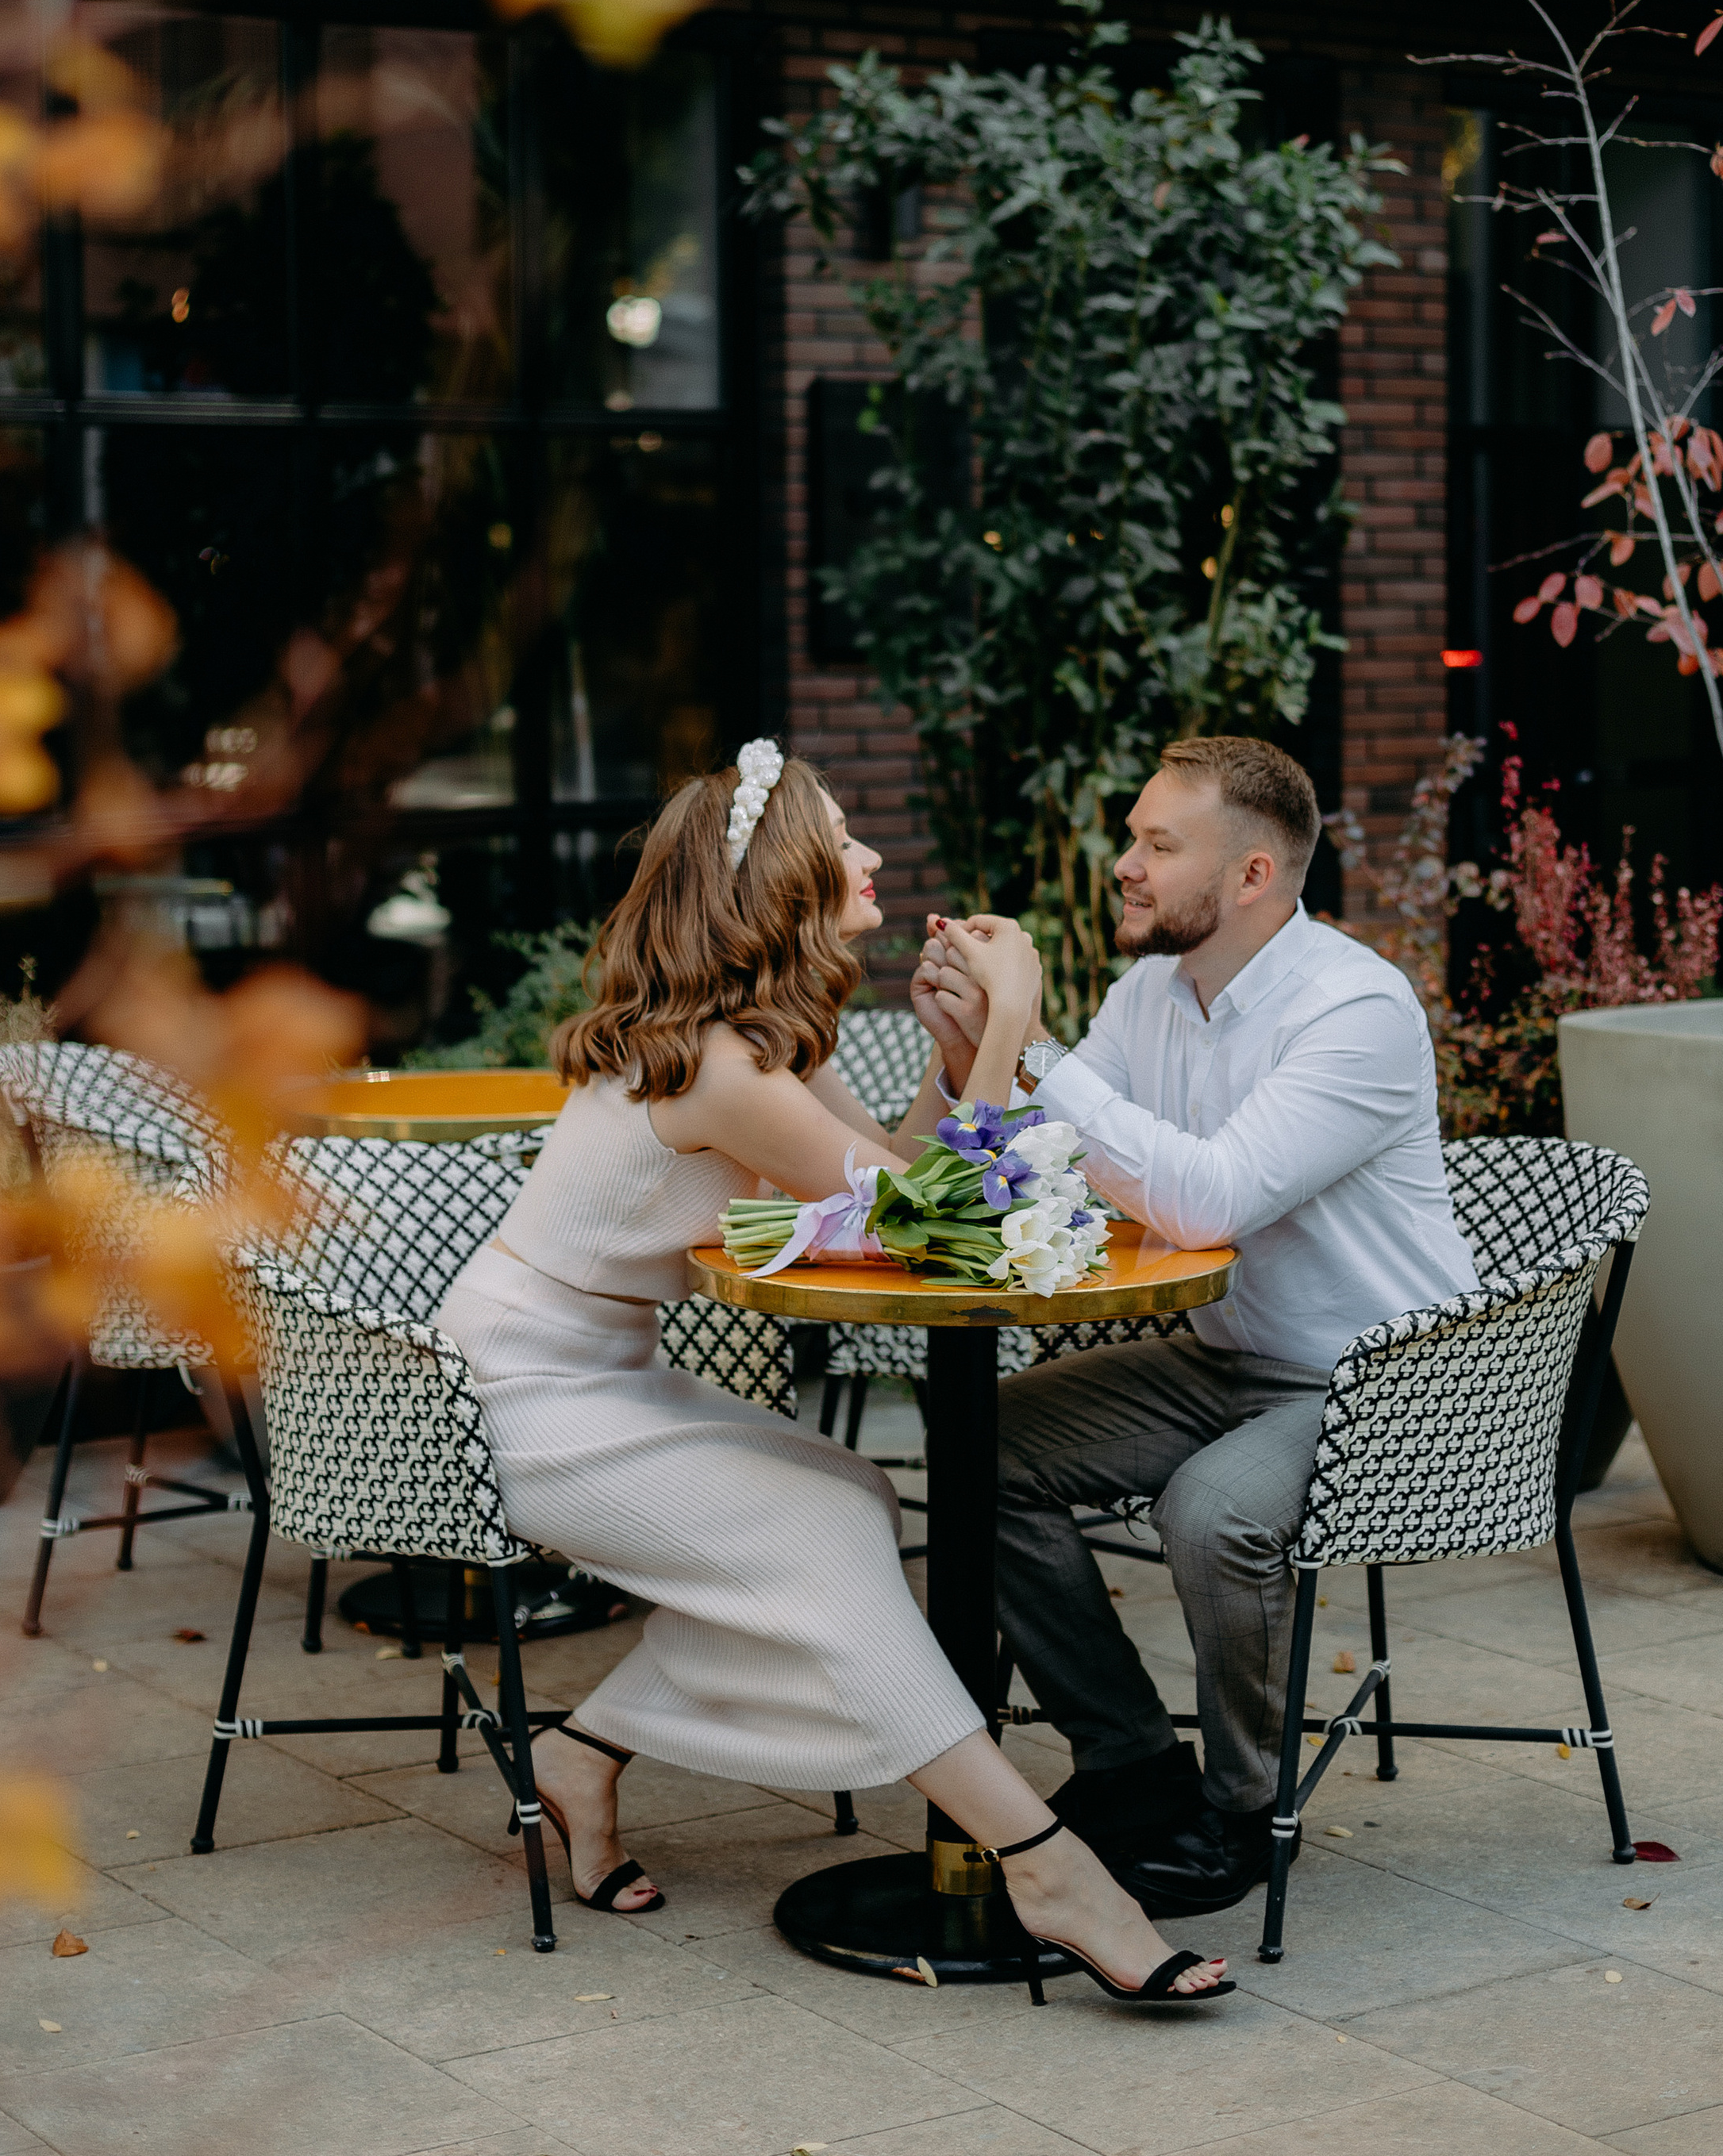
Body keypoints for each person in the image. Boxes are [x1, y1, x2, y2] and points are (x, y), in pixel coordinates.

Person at [439, 742, 1231, 2006]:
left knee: (855, 1497)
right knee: (817, 1540)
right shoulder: (719, 1065)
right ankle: (1048, 1864)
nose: (870, 857)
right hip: (523, 1399)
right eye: (846, 839)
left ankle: (581, 1754)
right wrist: (1013, 1024)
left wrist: (949, 1051)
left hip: (590, 1371)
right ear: (785, 879)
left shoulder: (757, 1040)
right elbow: (936, 1221)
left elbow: (894, 1185)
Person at [912, 734, 1479, 1919]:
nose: (1126, 863)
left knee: (1212, 1509)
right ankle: (1130, 1760)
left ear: (1255, 877)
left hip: (1390, 1379)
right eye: (1133, 838)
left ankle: (1241, 1810)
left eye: (1158, 845)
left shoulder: (1354, 1010)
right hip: (1227, 1354)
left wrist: (1044, 1048)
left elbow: (1207, 1195)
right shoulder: (1150, 995)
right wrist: (978, 1049)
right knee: (979, 1441)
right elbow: (1045, 1160)